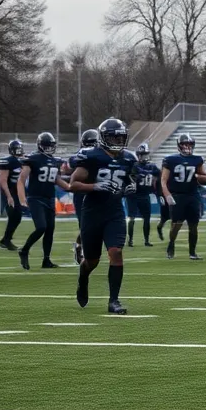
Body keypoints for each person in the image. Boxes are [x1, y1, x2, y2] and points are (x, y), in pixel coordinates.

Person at [67, 119, 135, 313]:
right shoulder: (93, 157)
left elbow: (128, 178)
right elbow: (73, 184)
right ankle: (83, 277)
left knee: (116, 252)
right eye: (114, 136)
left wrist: (131, 186)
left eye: (121, 136)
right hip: (92, 212)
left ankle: (114, 301)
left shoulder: (127, 159)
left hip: (114, 212)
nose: (118, 140)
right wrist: (95, 186)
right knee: (92, 261)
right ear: (104, 137)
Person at [15, 132, 63, 269]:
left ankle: (46, 260)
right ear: (40, 146)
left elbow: (57, 179)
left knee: (50, 229)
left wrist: (71, 187)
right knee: (41, 227)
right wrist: (22, 199)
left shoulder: (54, 160)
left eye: (51, 146)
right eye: (46, 146)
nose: (49, 148)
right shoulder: (33, 159)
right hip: (36, 198)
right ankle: (24, 250)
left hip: (50, 197)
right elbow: (21, 179)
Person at [160, 132, 206, 262]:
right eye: (184, 144)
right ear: (179, 145)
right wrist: (167, 195)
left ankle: (192, 252)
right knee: (176, 224)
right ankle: (171, 243)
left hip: (193, 195)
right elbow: (163, 180)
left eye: (189, 144)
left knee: (193, 225)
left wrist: (199, 176)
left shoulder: (197, 159)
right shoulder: (170, 160)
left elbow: (205, 179)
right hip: (177, 195)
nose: (187, 146)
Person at [62, 129, 99, 264]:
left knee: (95, 224)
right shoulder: (79, 156)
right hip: (81, 193)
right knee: (85, 225)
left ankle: (82, 246)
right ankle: (80, 247)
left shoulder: (101, 155)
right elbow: (67, 168)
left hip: (96, 192)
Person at [126, 142, 158, 248]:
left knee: (147, 218)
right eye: (143, 154)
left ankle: (147, 240)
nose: (145, 156)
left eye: (146, 154)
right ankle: (130, 240)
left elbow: (161, 175)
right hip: (134, 196)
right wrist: (133, 182)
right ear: (138, 155)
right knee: (131, 218)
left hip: (145, 195)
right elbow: (130, 176)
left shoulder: (152, 166)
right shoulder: (135, 166)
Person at [0, 139, 26, 251]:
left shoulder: (23, 160)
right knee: (14, 215)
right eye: (16, 149)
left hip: (17, 191)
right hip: (9, 191)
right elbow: (3, 180)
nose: (19, 151)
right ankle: (6, 240)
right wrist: (8, 196)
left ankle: (6, 240)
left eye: (20, 148)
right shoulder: (7, 161)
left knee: (17, 216)